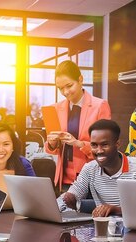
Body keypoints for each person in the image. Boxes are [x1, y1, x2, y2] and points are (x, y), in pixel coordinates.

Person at [58, 120, 136, 217]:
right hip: (103, 228)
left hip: (135, 228)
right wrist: (68, 198)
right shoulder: (90, 168)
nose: (99, 151)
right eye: (94, 145)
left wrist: (115, 210)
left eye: (104, 145)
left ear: (117, 144)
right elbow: (72, 194)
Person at [45, 60, 111, 190]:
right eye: (60, 88)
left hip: (91, 179)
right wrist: (52, 144)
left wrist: (79, 144)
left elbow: (107, 147)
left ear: (80, 79)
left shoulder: (100, 106)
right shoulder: (55, 109)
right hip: (63, 179)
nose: (65, 92)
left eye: (69, 85)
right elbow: (50, 149)